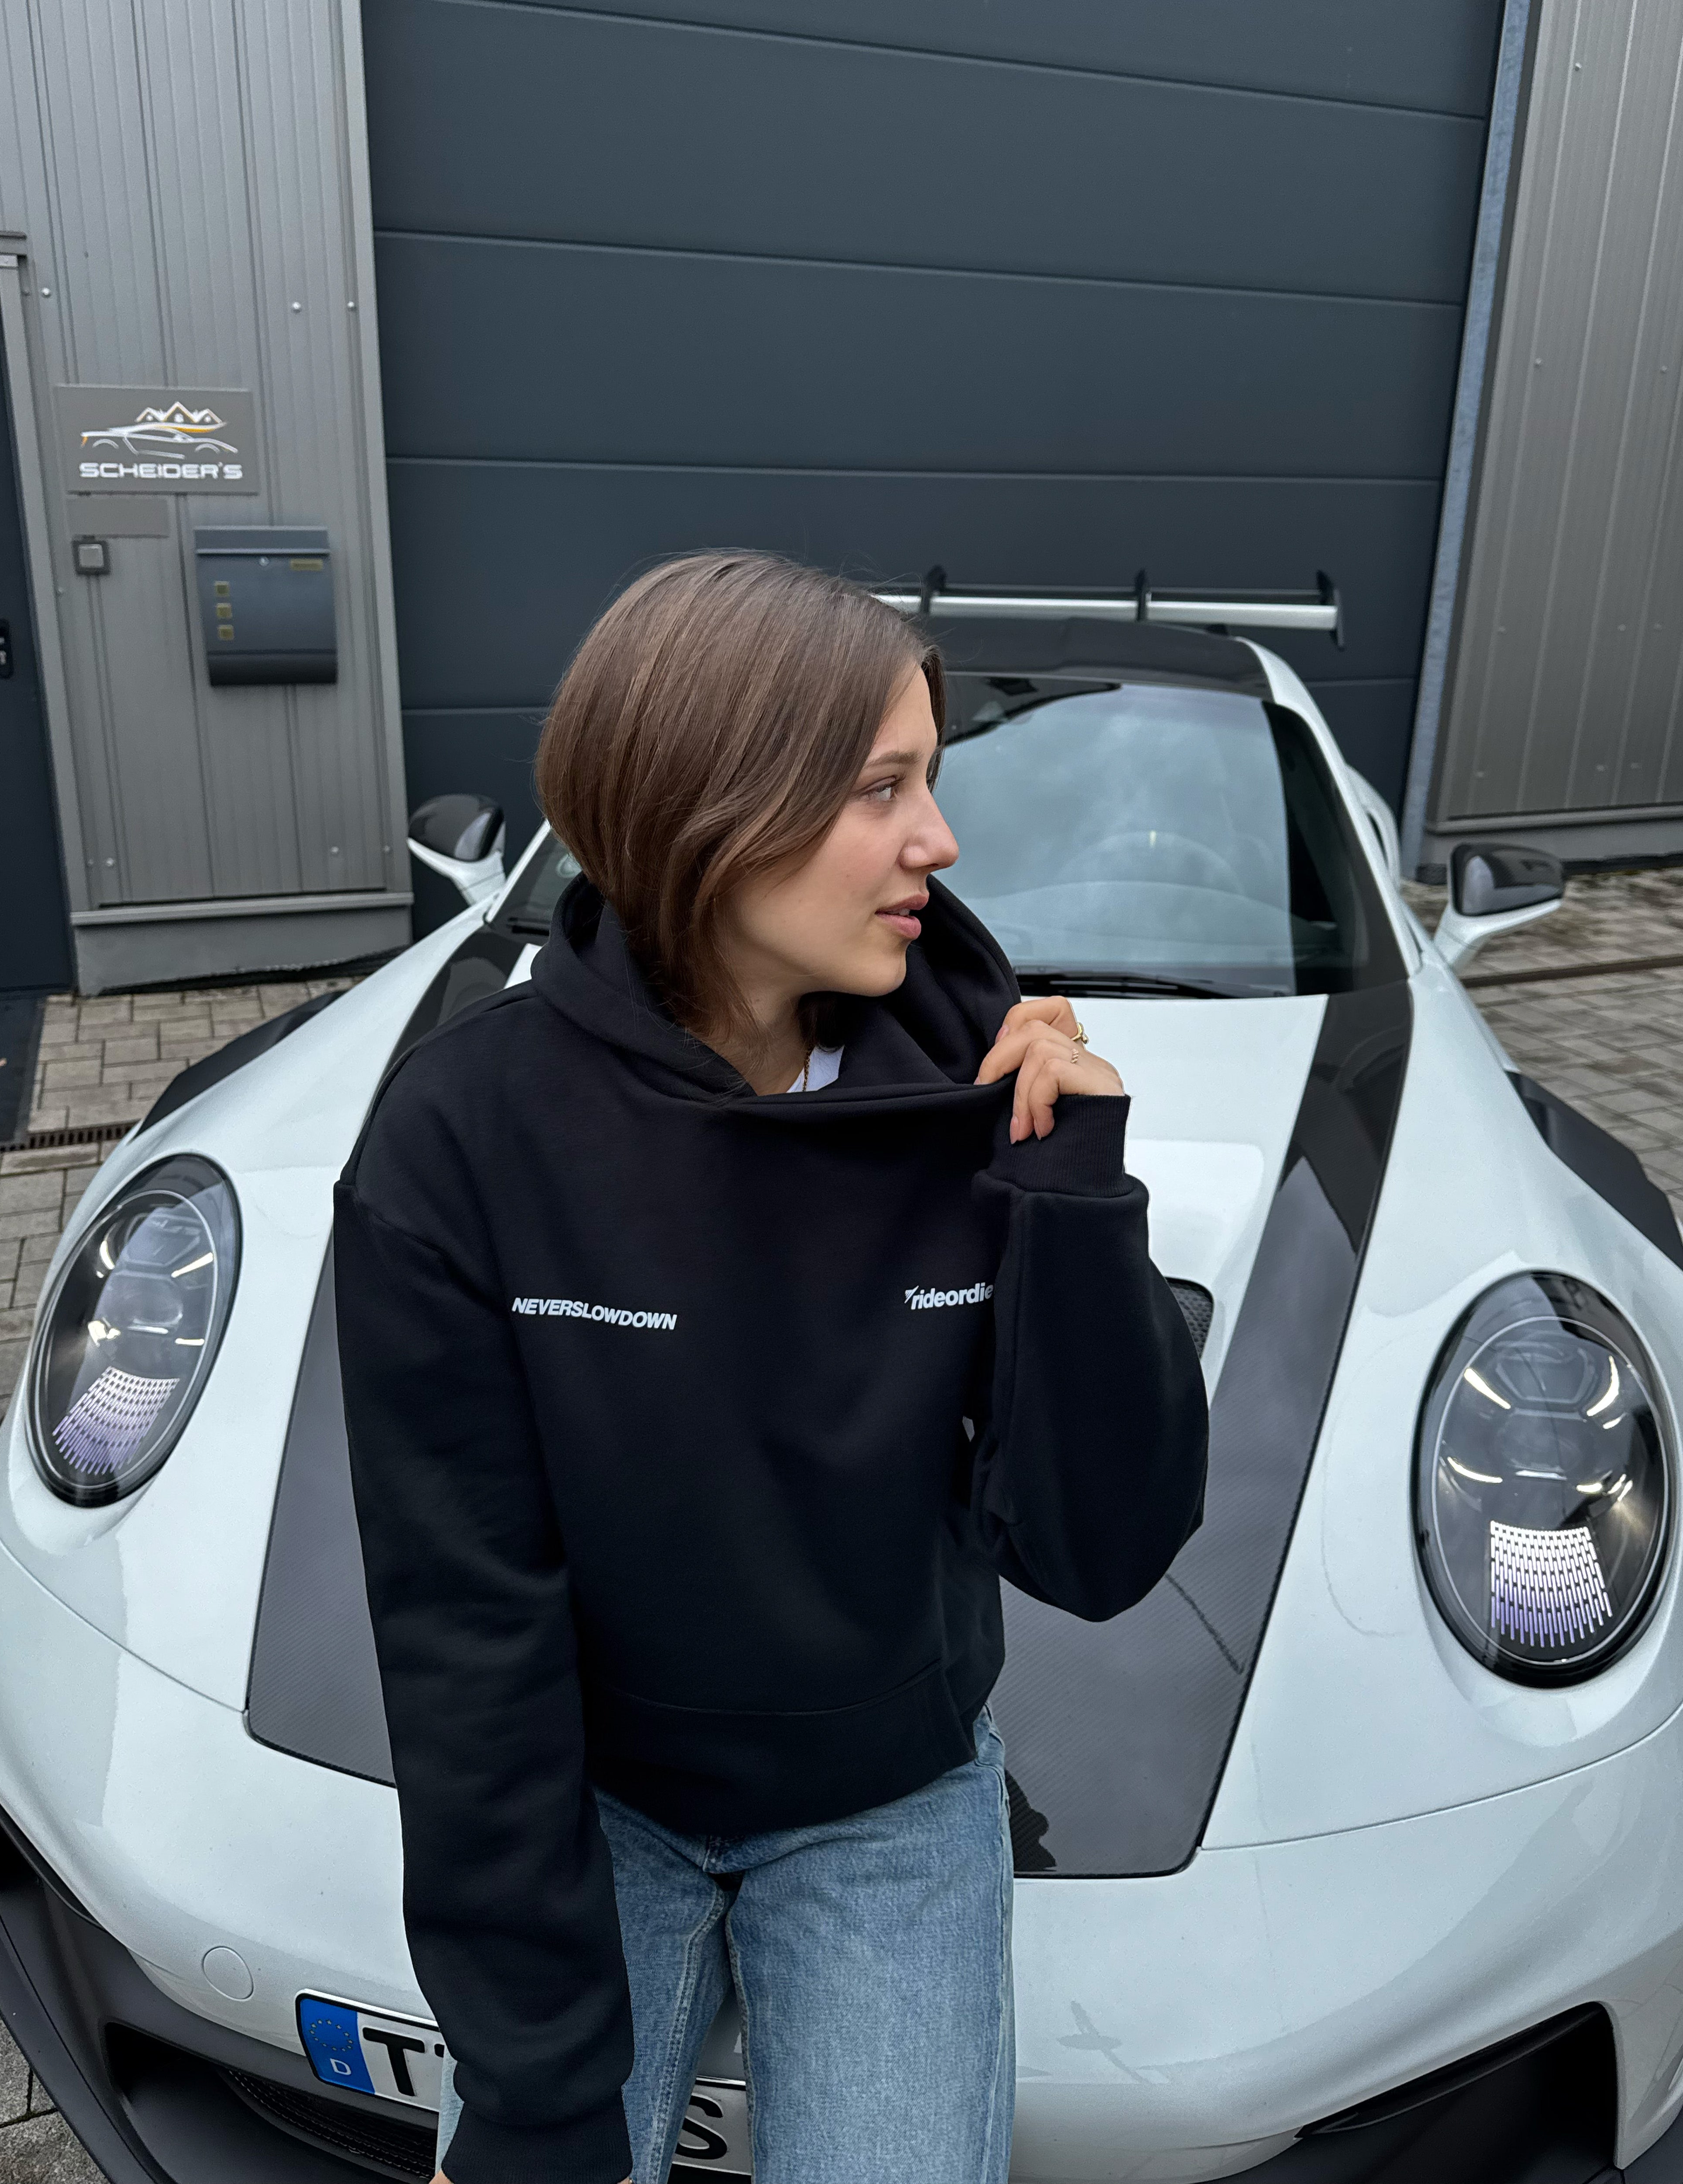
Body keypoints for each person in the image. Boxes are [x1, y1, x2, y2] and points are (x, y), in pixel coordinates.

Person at [334, 551, 1209, 2184]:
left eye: (931, 782)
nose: (941, 843)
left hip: (891, 1800)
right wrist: (533, 2092)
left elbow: (1101, 1554)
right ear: (708, 807)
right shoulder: (463, 1137)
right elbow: (464, 1629)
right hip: (600, 1802)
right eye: (884, 788)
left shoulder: (986, 1094)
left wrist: (1076, 1205)